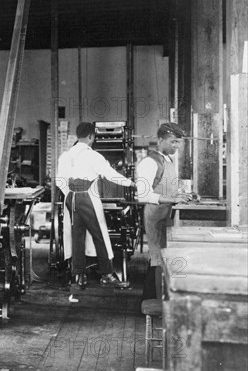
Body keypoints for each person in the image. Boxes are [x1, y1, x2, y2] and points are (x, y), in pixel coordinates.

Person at [56, 122, 135, 290]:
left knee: (77, 235)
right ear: (91, 137)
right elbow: (111, 174)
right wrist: (130, 183)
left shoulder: (66, 155)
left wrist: (69, 194)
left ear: (78, 136)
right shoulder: (93, 156)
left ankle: (79, 276)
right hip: (86, 197)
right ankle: (107, 275)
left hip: (71, 198)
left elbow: (59, 181)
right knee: (99, 235)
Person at [136, 122, 192, 299]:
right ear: (160, 140)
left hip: (165, 214)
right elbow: (143, 195)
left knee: (162, 257)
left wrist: (183, 194)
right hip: (154, 214)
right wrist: (172, 199)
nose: (176, 146)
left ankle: (157, 300)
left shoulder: (168, 160)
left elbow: (167, 187)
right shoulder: (149, 163)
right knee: (156, 258)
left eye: (178, 143)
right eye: (173, 142)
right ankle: (149, 302)